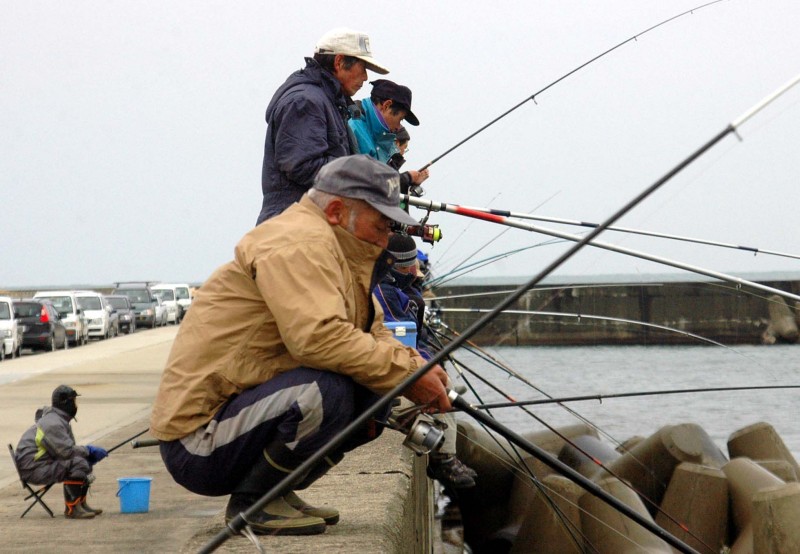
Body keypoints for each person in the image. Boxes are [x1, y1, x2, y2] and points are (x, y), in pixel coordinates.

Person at [151, 155, 451, 536]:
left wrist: (417, 367)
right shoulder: (297, 244)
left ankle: (278, 491)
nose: (385, 238)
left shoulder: (335, 251)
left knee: (372, 395)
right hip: (198, 441)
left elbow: (370, 329)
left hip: (239, 418)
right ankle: (254, 503)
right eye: (381, 224)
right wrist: (409, 377)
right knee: (326, 393)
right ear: (340, 211)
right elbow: (319, 339)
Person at [257, 28, 390, 224]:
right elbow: (302, 166)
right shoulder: (305, 101)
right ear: (339, 62)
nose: (365, 77)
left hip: (306, 224)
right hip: (293, 227)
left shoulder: (325, 100)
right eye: (363, 68)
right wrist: (362, 175)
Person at [375, 234, 477, 489]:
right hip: (388, 376)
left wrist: (432, 362)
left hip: (407, 363)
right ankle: (443, 459)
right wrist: (426, 366)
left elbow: (417, 340)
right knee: (435, 404)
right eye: (407, 266)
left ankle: (446, 457)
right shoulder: (383, 292)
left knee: (446, 389)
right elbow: (401, 341)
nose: (414, 271)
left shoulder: (404, 289)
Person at [15, 385, 109, 519]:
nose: (76, 405)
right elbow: (66, 452)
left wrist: (87, 455)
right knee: (79, 464)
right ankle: (72, 508)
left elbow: (65, 451)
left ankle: (81, 504)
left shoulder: (58, 420)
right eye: (74, 401)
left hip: (39, 465)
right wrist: (88, 450)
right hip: (34, 469)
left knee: (83, 462)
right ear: (66, 402)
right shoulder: (53, 424)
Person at [348, 80, 429, 195]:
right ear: (386, 105)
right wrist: (407, 178)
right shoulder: (353, 126)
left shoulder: (377, 139)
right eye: (400, 119)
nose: (398, 127)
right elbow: (365, 185)